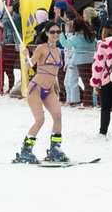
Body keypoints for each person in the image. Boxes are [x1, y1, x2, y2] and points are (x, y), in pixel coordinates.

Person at [13, 12, 70, 163]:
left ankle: (55, 149)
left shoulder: (58, 51)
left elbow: (55, 71)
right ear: (46, 33)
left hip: (49, 89)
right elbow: (28, 66)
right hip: (36, 88)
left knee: (57, 116)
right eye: (52, 32)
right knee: (40, 120)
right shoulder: (41, 48)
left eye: (58, 32)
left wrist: (56, 85)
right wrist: (26, 56)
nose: (56, 34)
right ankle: (26, 150)